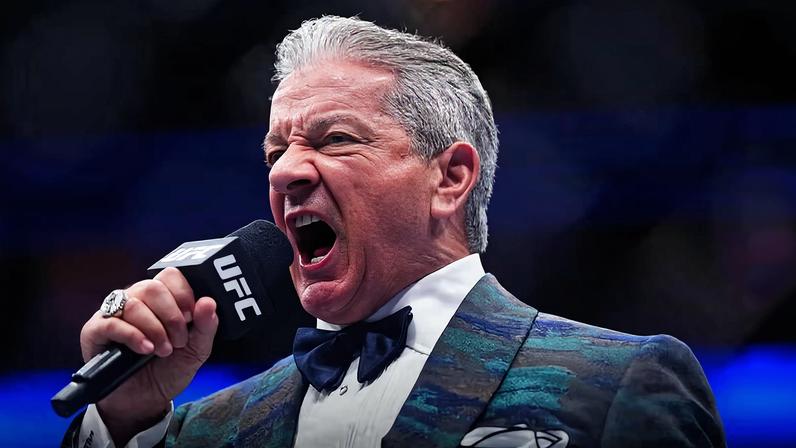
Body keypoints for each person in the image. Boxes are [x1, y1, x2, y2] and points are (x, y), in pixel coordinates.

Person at [64, 15, 726, 448]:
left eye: (336, 140)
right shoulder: (206, 429)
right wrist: (126, 416)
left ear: (450, 178)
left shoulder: (617, 382)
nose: (287, 171)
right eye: (275, 154)